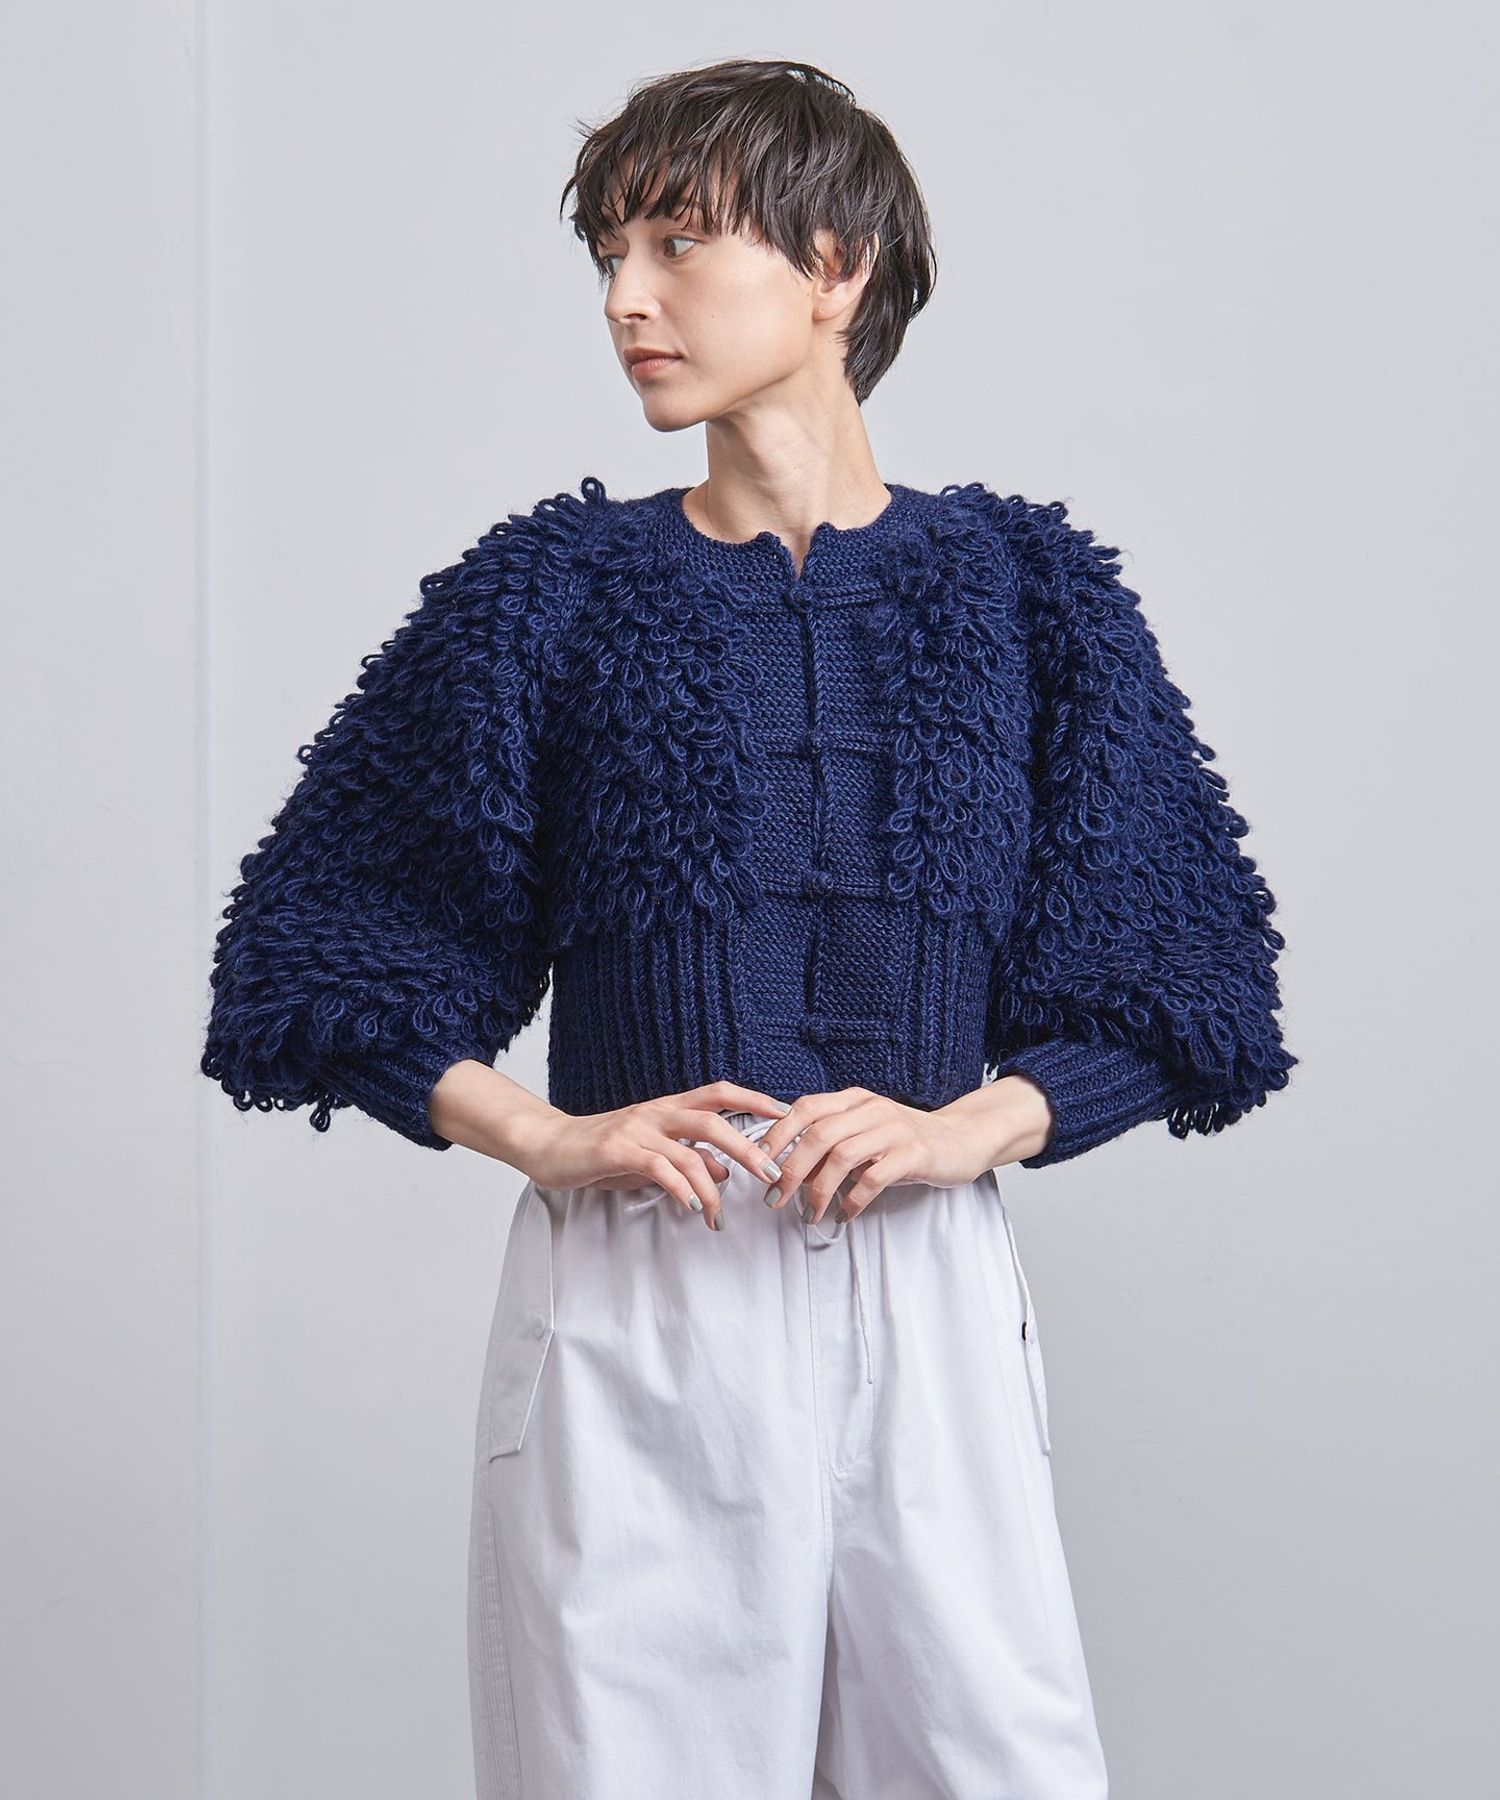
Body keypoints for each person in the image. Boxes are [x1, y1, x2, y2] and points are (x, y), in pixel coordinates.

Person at [201, 56, 1296, 1800]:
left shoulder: (1030, 595)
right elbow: (314, 955)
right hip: (646, 1295)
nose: (625, 299)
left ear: (835, 267)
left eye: (678, 243)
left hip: (930, 1294)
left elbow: (1190, 982)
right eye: (608, 257)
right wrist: (546, 1135)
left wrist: (968, 1130)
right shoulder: (548, 595)